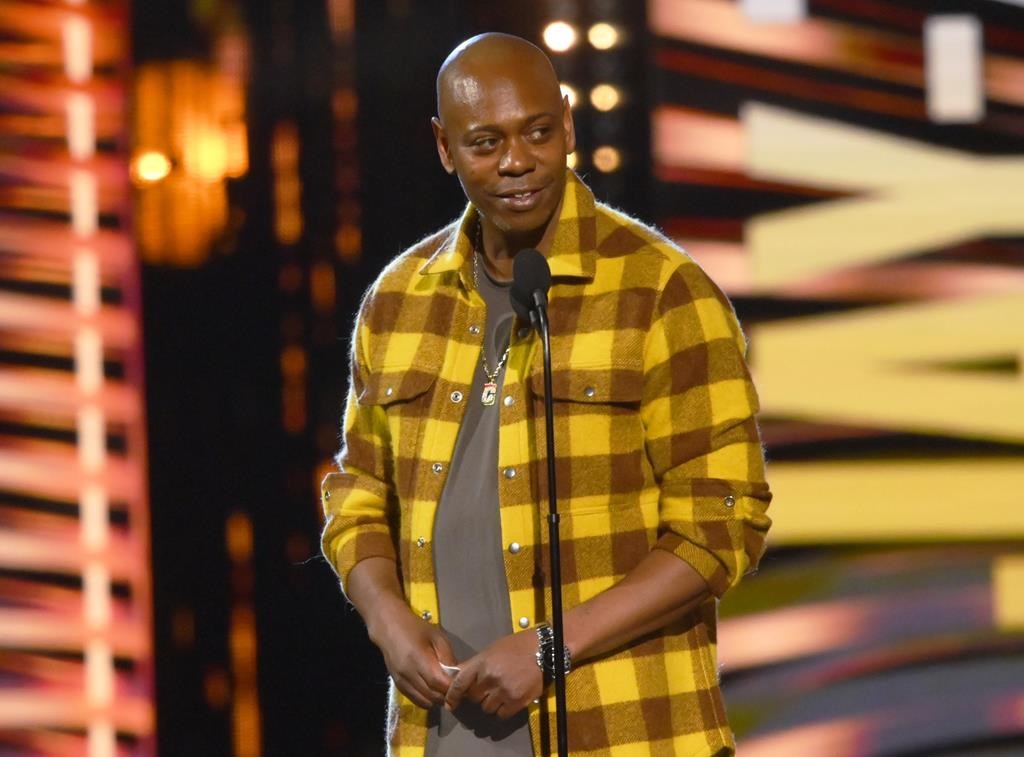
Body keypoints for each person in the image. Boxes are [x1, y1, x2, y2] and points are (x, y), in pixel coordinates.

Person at [321, 32, 772, 757]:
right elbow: (358, 492)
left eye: (537, 132)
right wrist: (386, 618)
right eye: (485, 142)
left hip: (626, 732)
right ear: (444, 147)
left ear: (566, 121)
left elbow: (722, 523)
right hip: (439, 738)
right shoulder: (398, 300)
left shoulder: (663, 292)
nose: (516, 161)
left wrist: (551, 648)